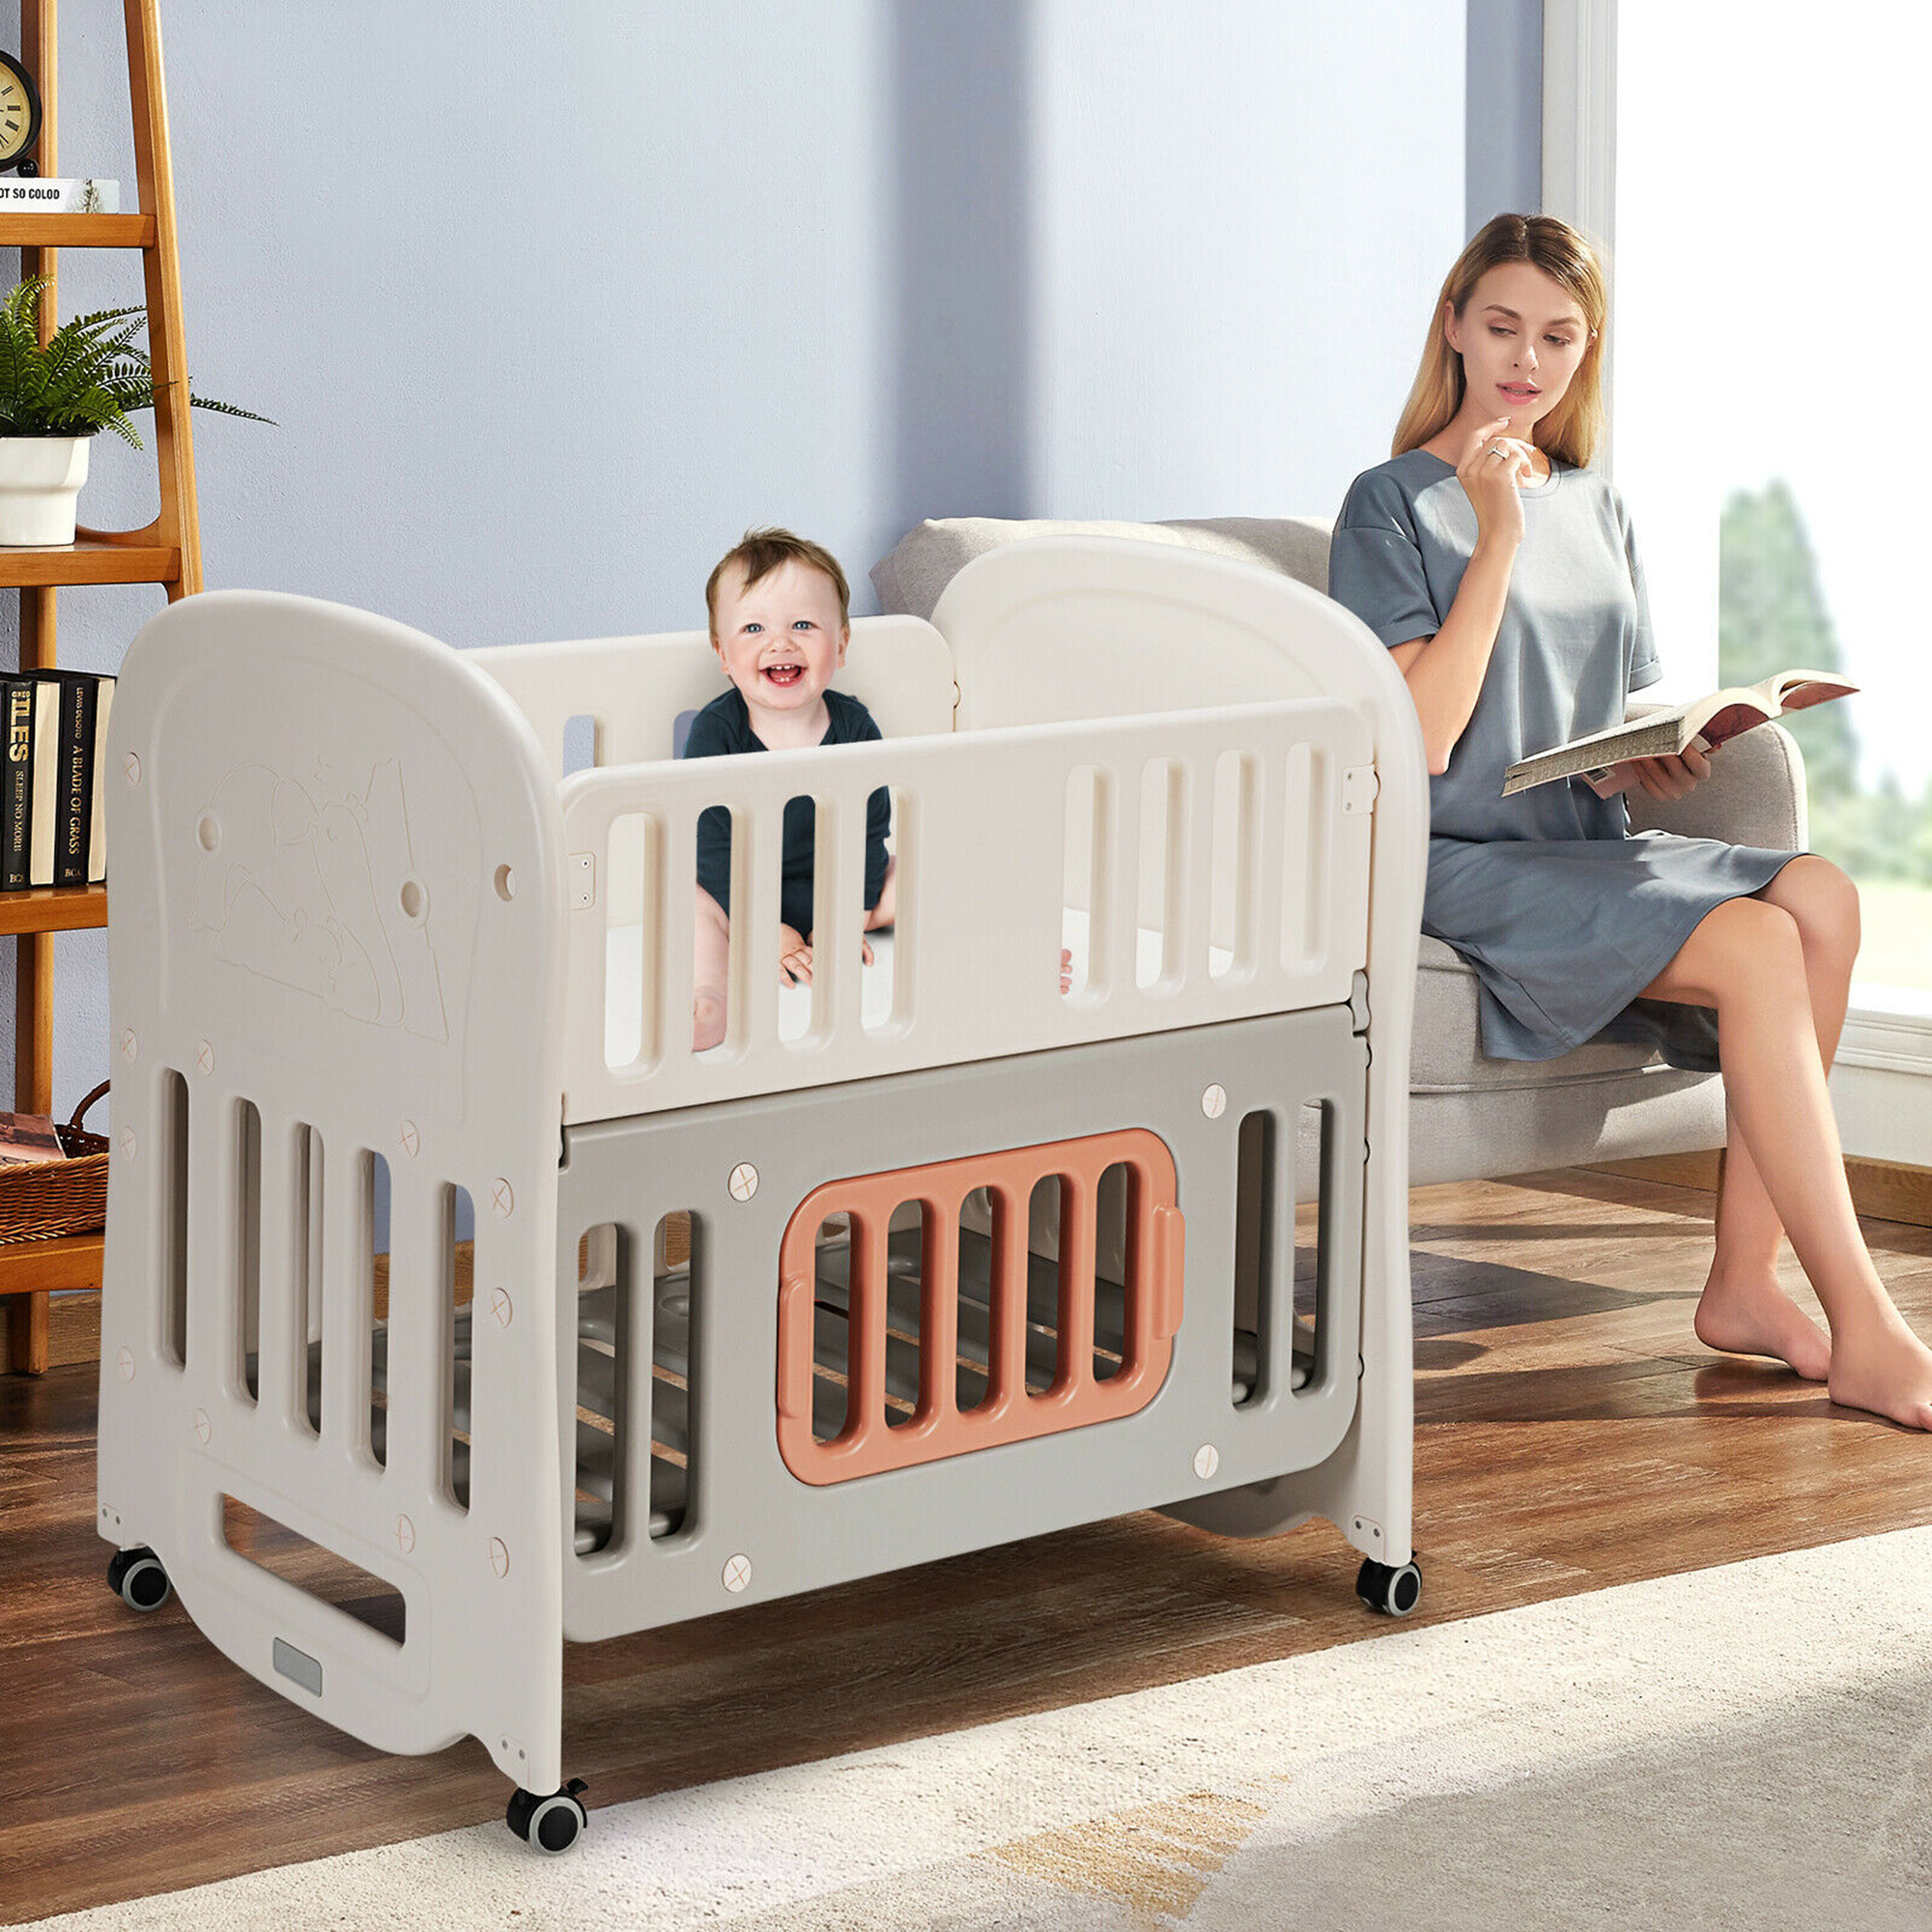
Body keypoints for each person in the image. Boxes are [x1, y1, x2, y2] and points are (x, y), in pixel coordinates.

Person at [1328, 212, 1932, 1431]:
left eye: (1557, 336)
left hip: (1581, 844)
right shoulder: (1386, 503)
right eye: (1502, 326)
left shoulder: (1598, 504)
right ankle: (1865, 1324)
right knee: (1755, 942)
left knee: (1820, 894)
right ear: (1452, 327)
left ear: (1584, 350)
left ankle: (1742, 1282)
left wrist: (1651, 756)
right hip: (1455, 860)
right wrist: (1495, 536)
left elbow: (1596, 712)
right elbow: (1424, 736)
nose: (1527, 359)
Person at [683, 528, 895, 1051]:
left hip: (838, 889)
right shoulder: (717, 733)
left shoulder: (856, 726)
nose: (780, 643)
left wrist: (849, 913)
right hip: (738, 895)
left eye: (803, 624)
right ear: (723, 654)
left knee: (927, 870)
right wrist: (763, 927)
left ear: (840, 644)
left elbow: (871, 830)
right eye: (753, 628)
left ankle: (999, 951)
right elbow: (712, 851)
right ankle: (709, 1000)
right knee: (691, 902)